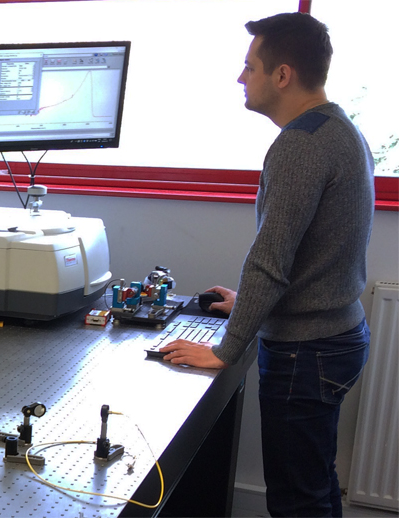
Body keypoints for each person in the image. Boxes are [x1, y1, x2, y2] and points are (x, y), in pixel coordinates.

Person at [159, 12, 374, 518]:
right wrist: (249, 306)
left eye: (249, 67)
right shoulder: (338, 128)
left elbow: (270, 261)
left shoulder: (302, 145)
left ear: (283, 75)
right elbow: (323, 251)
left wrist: (227, 348)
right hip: (336, 335)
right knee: (316, 484)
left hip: (307, 352)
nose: (240, 78)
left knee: (298, 502)